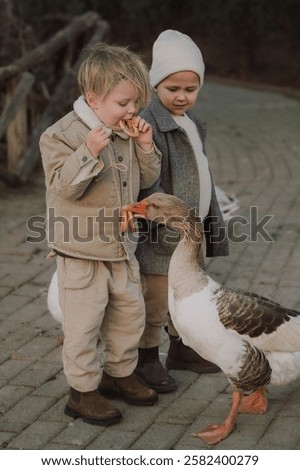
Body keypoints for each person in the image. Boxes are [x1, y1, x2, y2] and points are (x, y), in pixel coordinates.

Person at [39, 42, 162, 426]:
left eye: (136, 104)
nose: (132, 111)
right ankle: (82, 391)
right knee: (83, 324)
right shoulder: (60, 136)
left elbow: (148, 178)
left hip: (121, 246)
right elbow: (63, 187)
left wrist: (144, 146)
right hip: (81, 250)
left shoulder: (126, 131)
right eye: (124, 102)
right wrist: (88, 152)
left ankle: (119, 373)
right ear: (93, 98)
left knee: (129, 315)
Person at [134, 30, 229, 393]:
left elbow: (203, 174)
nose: (182, 96)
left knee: (184, 295)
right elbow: (148, 179)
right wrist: (164, 223)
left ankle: (183, 348)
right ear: (156, 83)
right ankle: (145, 359)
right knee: (156, 297)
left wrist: (210, 221)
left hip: (191, 232)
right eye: (173, 88)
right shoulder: (151, 125)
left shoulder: (192, 124)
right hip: (164, 234)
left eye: (190, 89)